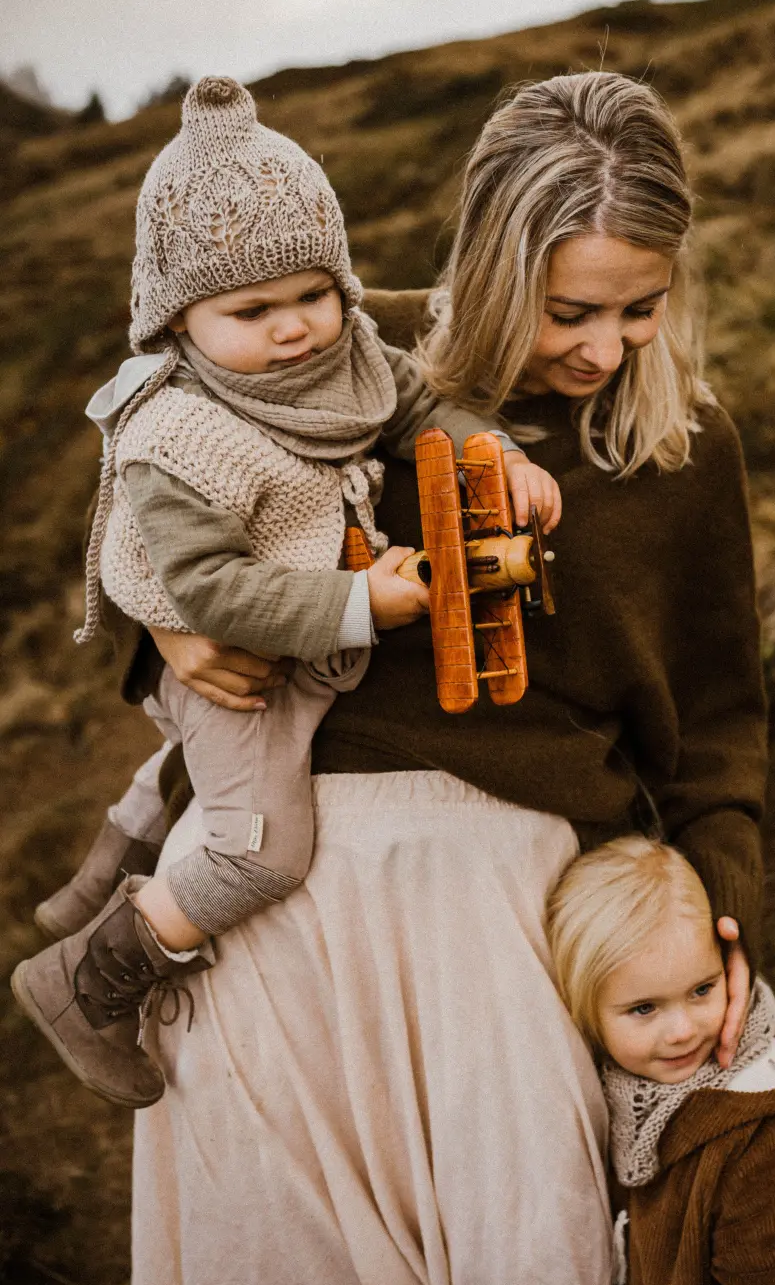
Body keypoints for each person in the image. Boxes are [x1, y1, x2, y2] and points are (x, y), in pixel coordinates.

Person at [74, 70, 768, 1285]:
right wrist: (160, 623)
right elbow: (150, 473)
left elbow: (724, 721)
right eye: (569, 310)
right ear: (490, 260)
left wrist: (722, 910)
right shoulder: (332, 352)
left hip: (507, 919)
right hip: (268, 918)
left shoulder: (689, 446)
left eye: (642, 310)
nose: (605, 349)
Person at [11, 75, 558, 1111]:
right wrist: (362, 606)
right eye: (251, 310)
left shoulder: (347, 352)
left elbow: (414, 401)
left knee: (212, 752)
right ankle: (87, 979)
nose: (297, 328)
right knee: (260, 847)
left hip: (289, 628)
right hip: (229, 642)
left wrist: (492, 454)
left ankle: (103, 863)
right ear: (176, 323)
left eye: (312, 293)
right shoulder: (178, 436)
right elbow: (210, 592)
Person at [547, 834, 775, 1285]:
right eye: (644, 1008)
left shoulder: (772, 1142)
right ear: (589, 1014)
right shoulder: (635, 1105)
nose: (682, 1030)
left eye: (701, 990)